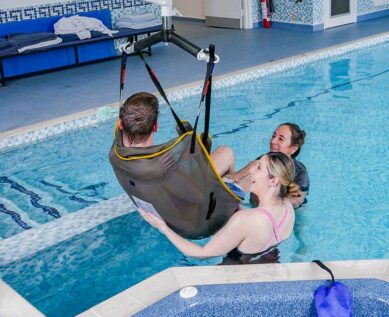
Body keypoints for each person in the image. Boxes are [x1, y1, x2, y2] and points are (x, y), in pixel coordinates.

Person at [138, 152, 301, 264]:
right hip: (268, 265)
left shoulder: (247, 220)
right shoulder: (288, 208)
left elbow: (201, 253)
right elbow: (261, 227)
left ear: (273, 181)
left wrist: (163, 227)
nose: (250, 169)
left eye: (258, 168)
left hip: (235, 274)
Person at [118, 92, 235, 176]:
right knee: (226, 152)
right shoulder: (160, 163)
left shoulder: (116, 156)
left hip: (158, 196)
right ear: (155, 126)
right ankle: (200, 157)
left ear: (120, 124)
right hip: (192, 194)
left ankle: (195, 153)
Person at [230, 123, 309, 208]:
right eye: (273, 136)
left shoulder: (299, 172)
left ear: (293, 148)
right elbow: (237, 178)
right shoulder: (261, 160)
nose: (272, 141)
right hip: (255, 208)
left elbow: (296, 202)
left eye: (281, 139)